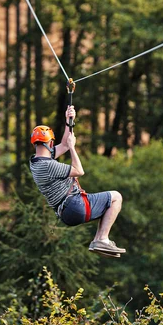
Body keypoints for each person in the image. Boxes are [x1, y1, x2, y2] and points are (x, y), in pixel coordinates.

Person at [29, 105, 126, 258]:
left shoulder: (36, 162)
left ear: (36, 143)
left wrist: (69, 121)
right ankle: (102, 239)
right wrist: (73, 148)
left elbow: (65, 144)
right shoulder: (49, 166)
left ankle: (100, 240)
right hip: (75, 206)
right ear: (51, 143)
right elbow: (79, 171)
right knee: (116, 197)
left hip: (67, 212)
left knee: (106, 204)